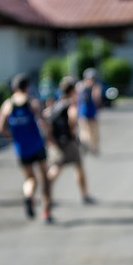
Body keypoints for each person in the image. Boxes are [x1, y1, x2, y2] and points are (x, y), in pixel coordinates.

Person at [0, 73, 53, 223]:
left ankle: (28, 196)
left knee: (30, 179)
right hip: (37, 144)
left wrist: (13, 136)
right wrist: (49, 136)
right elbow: (43, 121)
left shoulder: (8, 104)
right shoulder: (32, 102)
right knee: (44, 179)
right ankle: (46, 212)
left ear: (14, 87)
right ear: (27, 87)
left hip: (21, 148)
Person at [44, 76, 95, 205]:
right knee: (78, 166)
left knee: (56, 168)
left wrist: (50, 137)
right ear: (72, 90)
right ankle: (85, 195)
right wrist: (73, 131)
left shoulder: (56, 104)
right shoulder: (71, 105)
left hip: (56, 142)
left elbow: (45, 117)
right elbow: (72, 121)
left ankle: (46, 193)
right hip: (69, 141)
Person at [77, 68, 103, 155]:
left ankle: (86, 145)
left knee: (84, 131)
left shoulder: (80, 85)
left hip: (81, 112)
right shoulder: (95, 87)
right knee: (93, 132)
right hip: (91, 112)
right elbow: (97, 99)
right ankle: (93, 148)